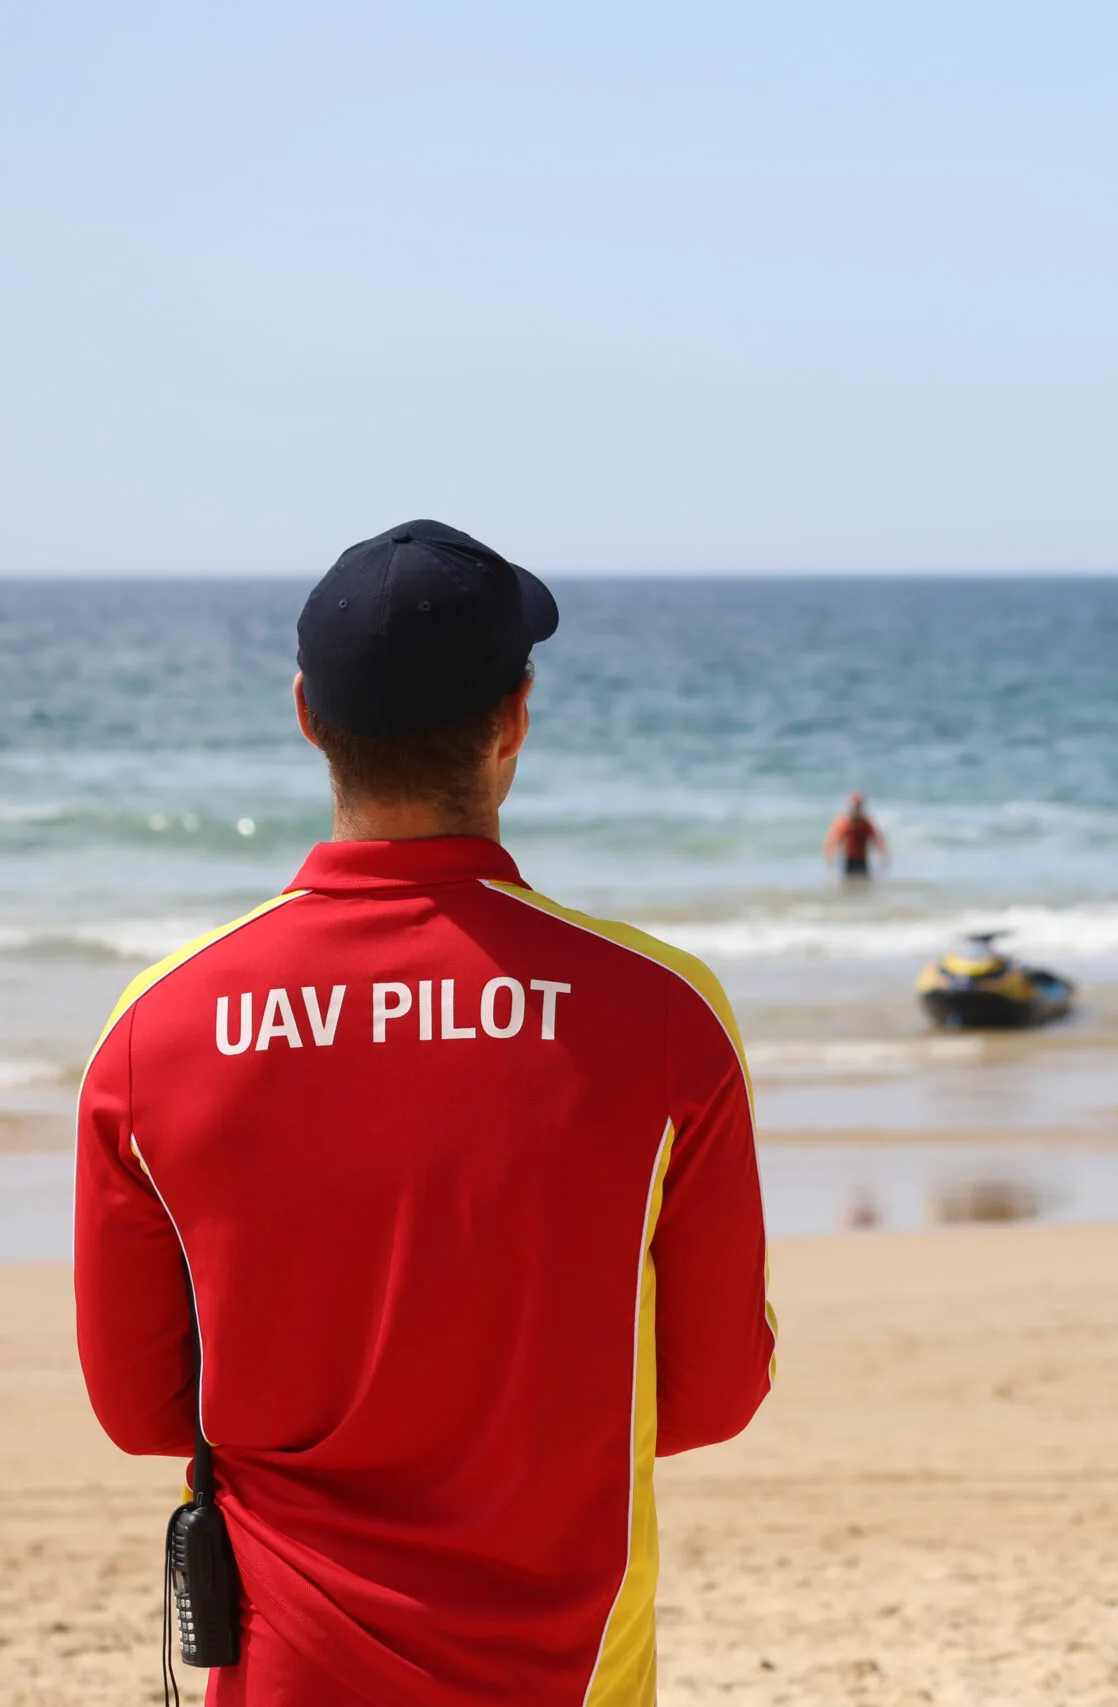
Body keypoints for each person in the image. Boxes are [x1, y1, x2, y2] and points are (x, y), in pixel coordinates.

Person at [75, 521, 775, 1704]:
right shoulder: (662, 1015)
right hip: (568, 1669)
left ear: (307, 714)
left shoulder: (159, 1028)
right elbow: (711, 1396)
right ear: (514, 720)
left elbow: (142, 1410)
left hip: (285, 1668)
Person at [823, 789, 888, 877]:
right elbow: (833, 840)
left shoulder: (865, 823)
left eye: (858, 807)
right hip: (848, 860)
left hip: (862, 859)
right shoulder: (843, 822)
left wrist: (883, 854)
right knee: (849, 882)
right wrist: (829, 855)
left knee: (863, 882)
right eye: (855, 807)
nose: (856, 810)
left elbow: (876, 839)